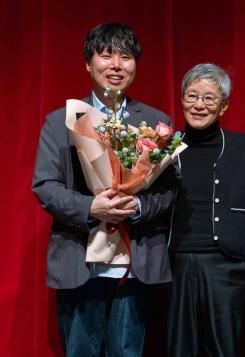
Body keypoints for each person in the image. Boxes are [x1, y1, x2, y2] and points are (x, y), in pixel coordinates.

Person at [32, 23, 178, 357]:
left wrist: (137, 207)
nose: (116, 65)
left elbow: (170, 191)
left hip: (135, 264)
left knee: (128, 352)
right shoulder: (62, 121)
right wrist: (90, 207)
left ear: (135, 66)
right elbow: (45, 185)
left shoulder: (156, 123)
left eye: (125, 57)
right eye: (106, 54)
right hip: (80, 262)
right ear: (88, 63)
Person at [166, 63, 245, 357]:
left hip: (225, 264)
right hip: (175, 262)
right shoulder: (165, 146)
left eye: (209, 98)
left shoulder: (240, 145)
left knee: (224, 348)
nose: (199, 105)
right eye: (192, 96)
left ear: (224, 106)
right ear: (182, 99)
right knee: (180, 348)